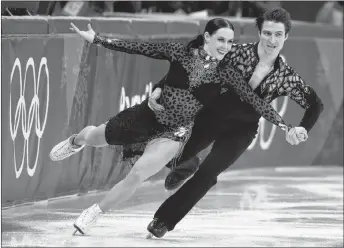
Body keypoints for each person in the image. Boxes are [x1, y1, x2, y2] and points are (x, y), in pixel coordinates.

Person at [49, 18, 289, 235]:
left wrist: (285, 126)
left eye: (230, 41)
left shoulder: (227, 73)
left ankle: (95, 212)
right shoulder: (180, 52)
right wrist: (99, 40)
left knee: (138, 174)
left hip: (175, 132)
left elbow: (255, 100)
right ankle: (75, 142)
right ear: (207, 38)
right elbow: (139, 48)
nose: (226, 46)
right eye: (221, 40)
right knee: (95, 136)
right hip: (146, 116)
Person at [146, 8, 324, 238]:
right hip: (210, 116)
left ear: (286, 36)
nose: (272, 40)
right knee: (172, 158)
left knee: (208, 174)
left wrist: (301, 128)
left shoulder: (286, 77)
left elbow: (315, 104)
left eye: (278, 34)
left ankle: (164, 220)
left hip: (242, 130)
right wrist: (160, 86)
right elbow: (193, 63)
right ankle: (186, 163)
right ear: (259, 32)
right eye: (267, 33)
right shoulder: (236, 53)